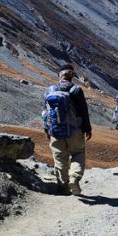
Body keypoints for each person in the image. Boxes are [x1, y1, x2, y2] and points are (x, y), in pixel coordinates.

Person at [42, 64, 92, 196]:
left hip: (55, 131)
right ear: (72, 76)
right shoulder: (76, 90)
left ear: (59, 75)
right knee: (78, 153)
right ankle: (74, 178)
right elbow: (83, 111)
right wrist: (87, 128)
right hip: (75, 130)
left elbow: (45, 112)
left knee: (59, 157)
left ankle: (63, 186)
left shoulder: (49, 91)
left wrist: (46, 129)